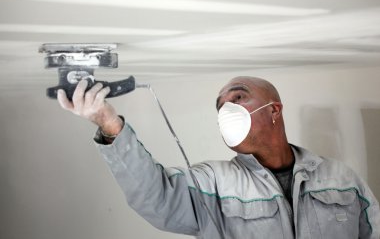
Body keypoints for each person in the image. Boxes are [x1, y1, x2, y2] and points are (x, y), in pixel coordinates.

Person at [57, 76, 380, 239]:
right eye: (220, 105)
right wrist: (109, 124)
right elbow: (156, 199)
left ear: (274, 111)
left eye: (238, 97)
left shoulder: (342, 180)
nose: (227, 110)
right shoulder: (213, 182)